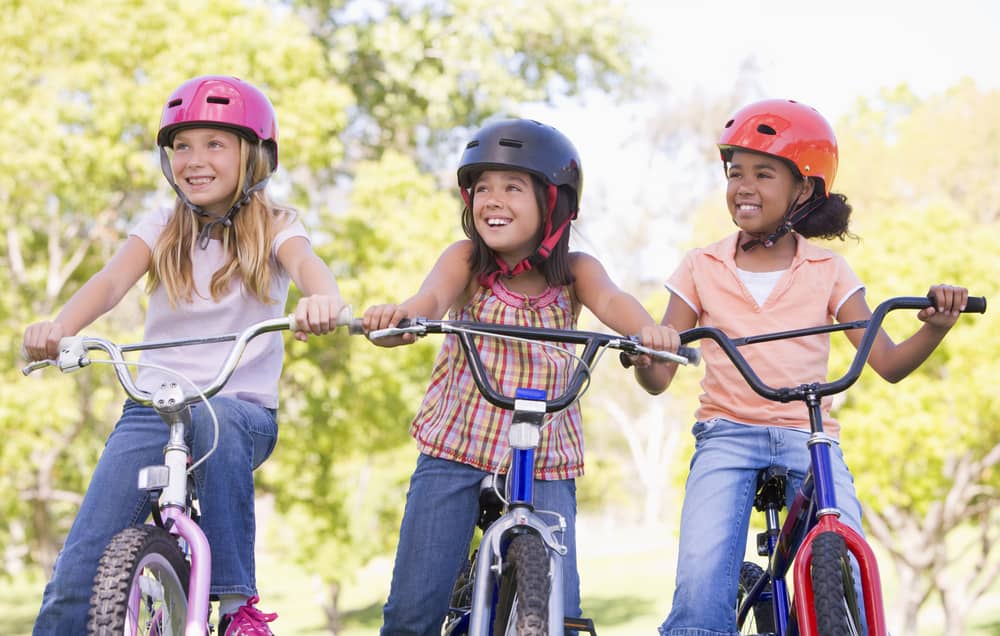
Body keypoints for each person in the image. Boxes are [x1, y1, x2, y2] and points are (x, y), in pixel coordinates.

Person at [22, 75, 346, 636]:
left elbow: (308, 268)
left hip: (238, 412)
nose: (194, 160)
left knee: (213, 418)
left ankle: (238, 604)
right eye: (181, 146)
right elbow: (109, 283)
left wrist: (325, 300)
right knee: (79, 573)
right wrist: (61, 328)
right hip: (155, 409)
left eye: (214, 144)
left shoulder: (276, 227)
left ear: (254, 156)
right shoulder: (162, 226)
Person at [642, 98, 969, 636]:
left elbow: (886, 362)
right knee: (700, 589)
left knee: (848, 565)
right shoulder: (702, 265)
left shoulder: (828, 269)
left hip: (808, 434)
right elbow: (659, 376)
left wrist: (935, 326)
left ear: (804, 189)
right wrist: (648, 350)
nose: (743, 185)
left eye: (763, 173)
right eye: (734, 173)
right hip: (727, 433)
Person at [362, 118, 679, 635]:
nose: (492, 199)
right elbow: (430, 300)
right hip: (457, 447)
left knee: (563, 610)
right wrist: (401, 319)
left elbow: (615, 302)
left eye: (512, 187)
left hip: (546, 456)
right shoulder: (466, 260)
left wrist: (649, 333)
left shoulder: (576, 271)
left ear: (554, 205)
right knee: (412, 611)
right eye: (481, 187)